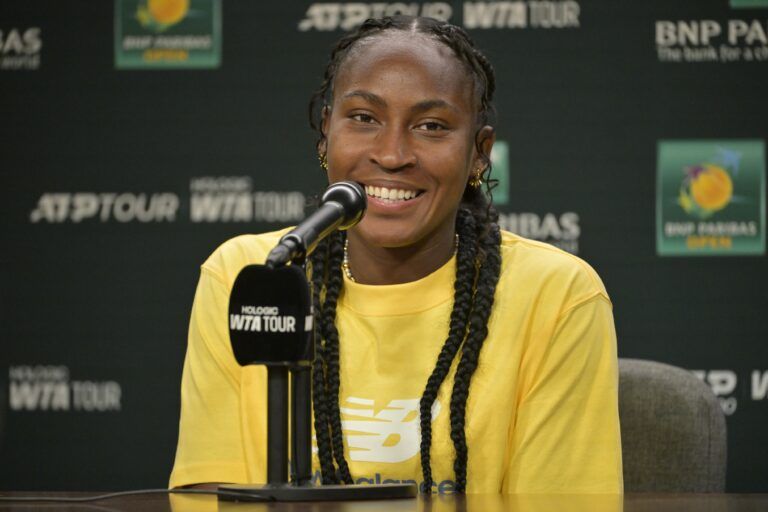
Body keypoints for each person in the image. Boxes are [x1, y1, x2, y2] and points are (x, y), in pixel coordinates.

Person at [170, 15, 623, 494]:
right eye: (364, 118)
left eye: (431, 126)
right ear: (326, 133)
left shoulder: (557, 296)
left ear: (479, 152)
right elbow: (208, 495)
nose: (391, 154)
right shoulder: (254, 277)